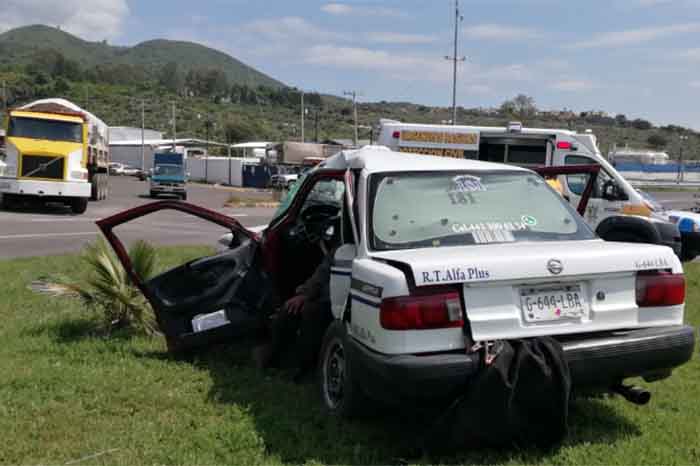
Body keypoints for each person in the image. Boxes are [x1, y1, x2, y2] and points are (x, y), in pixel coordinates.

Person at [252, 238, 335, 381]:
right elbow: (320, 275)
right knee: (289, 309)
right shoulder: (337, 251)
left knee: (312, 313)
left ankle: (305, 369)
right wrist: (304, 294)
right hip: (321, 296)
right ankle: (273, 358)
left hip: (339, 304)